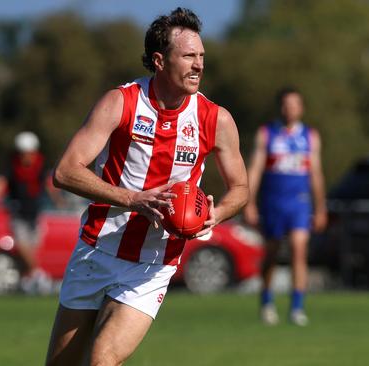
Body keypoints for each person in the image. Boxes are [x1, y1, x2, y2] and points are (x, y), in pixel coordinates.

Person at [45, 8, 248, 365]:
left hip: (152, 264)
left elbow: (241, 188)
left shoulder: (216, 119)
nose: (198, 64)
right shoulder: (120, 102)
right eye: (188, 56)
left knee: (103, 359)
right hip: (97, 250)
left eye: (201, 56)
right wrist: (132, 199)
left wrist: (215, 215)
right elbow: (65, 171)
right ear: (159, 60)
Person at [244, 87, 327, 326]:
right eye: (286, 104)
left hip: (299, 202)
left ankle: (297, 307)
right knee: (271, 253)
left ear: (301, 108)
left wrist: (321, 207)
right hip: (272, 203)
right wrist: (249, 203)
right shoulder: (267, 134)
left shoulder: (310, 136)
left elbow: (316, 173)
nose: (290, 109)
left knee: (299, 249)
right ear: (280, 107)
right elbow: (256, 170)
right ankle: (267, 300)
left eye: (295, 104)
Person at [6, 131, 49, 269]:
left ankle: (31, 277)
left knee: (33, 247)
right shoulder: (12, 166)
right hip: (19, 213)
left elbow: (48, 185)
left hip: (35, 213)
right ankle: (38, 273)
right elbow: (1, 183)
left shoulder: (40, 166)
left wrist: (61, 202)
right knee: (22, 244)